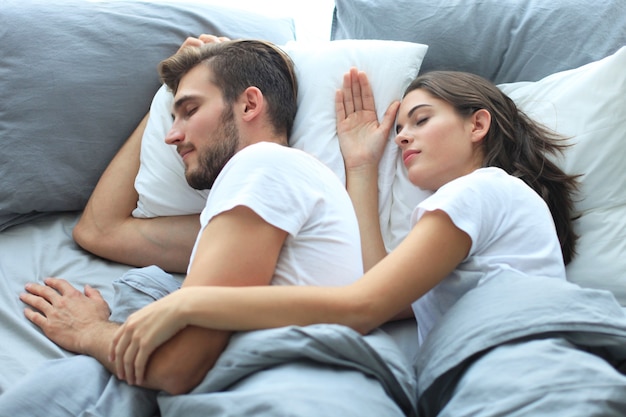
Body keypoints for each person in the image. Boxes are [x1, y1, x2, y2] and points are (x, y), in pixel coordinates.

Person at [108, 67, 584, 382]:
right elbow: (374, 283)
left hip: (519, 376)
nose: (402, 137)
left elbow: (362, 306)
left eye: (420, 120)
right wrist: (360, 166)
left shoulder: (482, 190)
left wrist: (190, 302)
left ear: (477, 125)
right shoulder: (480, 210)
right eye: (401, 128)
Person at [4, 37, 364, 415]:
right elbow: (99, 230)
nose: (171, 135)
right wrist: (166, 96)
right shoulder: (260, 209)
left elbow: (178, 367)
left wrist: (88, 330)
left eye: (189, 110)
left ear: (249, 104)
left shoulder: (265, 167)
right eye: (173, 116)